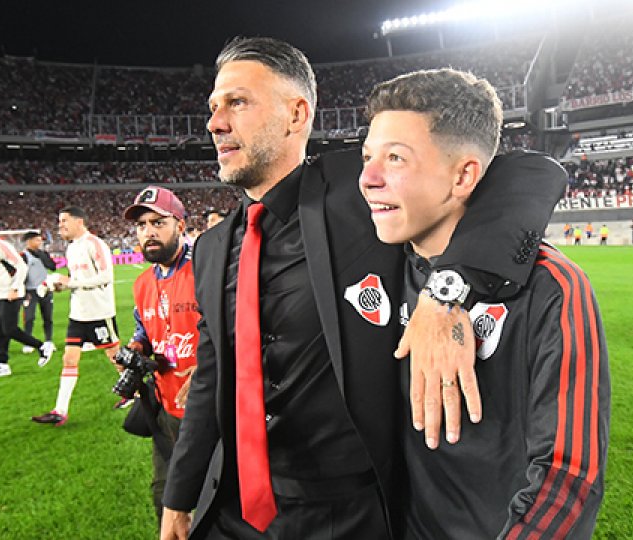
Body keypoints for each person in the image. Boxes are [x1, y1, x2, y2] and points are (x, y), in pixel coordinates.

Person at [160, 37, 562, 540]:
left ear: (296, 114)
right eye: (214, 107)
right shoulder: (211, 248)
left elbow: (526, 175)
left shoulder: (361, 187)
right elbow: (210, 379)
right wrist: (179, 496)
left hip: (343, 512)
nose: (215, 123)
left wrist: (446, 290)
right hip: (234, 507)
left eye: (237, 102)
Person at [359, 67, 608, 539]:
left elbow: (567, 476)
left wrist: (446, 289)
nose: (368, 178)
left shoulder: (551, 288)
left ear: (464, 176)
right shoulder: (379, 263)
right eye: (367, 156)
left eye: (395, 158)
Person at [122, 187, 199, 523]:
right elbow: (144, 330)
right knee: (165, 497)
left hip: (208, 409)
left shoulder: (205, 270)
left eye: (158, 222)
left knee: (217, 499)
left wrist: (209, 367)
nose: (148, 232)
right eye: (141, 225)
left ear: (180, 226)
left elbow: (237, 329)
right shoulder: (142, 283)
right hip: (166, 408)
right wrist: (135, 350)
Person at [32, 206, 121, 426]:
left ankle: (137, 394)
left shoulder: (95, 244)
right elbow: (75, 279)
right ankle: (60, 411)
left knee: (116, 358)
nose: (60, 225)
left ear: (79, 221)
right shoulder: (71, 248)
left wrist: (71, 283)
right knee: (69, 359)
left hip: (99, 312)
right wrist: (59, 285)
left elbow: (106, 277)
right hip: (78, 314)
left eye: (64, 221)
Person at [0, 219, 54, 380]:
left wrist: (15, 288)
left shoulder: (2, 246)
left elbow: (21, 266)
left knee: (10, 329)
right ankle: (2, 365)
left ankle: (41, 347)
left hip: (11, 295)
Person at [20, 231, 56, 353]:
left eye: (40, 240)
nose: (40, 242)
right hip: (30, 291)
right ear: (29, 241)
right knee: (29, 318)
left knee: (48, 317)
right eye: (37, 240)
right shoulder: (23, 256)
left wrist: (43, 256)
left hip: (45, 289)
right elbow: (20, 274)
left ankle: (49, 341)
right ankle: (28, 342)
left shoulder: (43, 254)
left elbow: (53, 266)